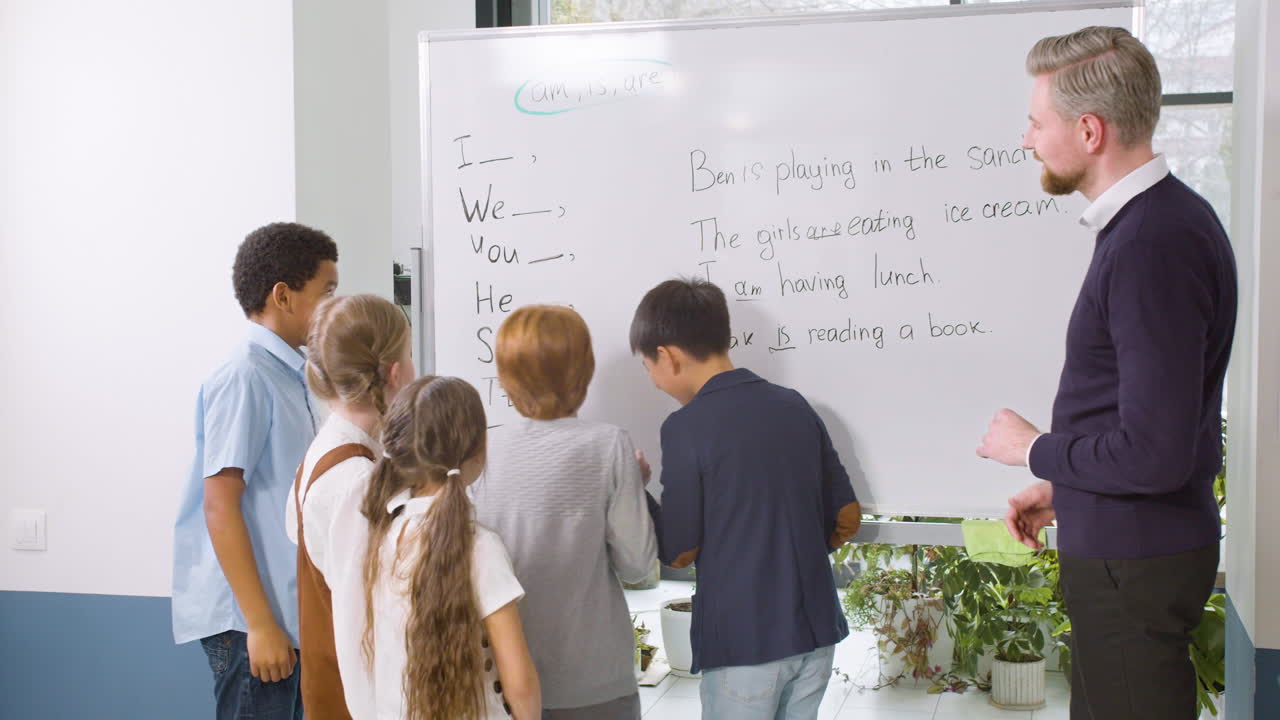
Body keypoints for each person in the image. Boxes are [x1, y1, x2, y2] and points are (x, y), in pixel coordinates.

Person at [977, 26, 1237, 720]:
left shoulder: (1153, 243)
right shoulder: (1156, 226)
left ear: (1089, 131)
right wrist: (1066, 485)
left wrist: (1032, 447)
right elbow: (1147, 426)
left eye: (1037, 123)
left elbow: (1154, 453)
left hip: (1136, 566)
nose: (1028, 139)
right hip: (1129, 552)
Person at [630, 277, 862, 720]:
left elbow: (678, 550)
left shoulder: (685, 427)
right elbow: (846, 517)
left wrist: (637, 491)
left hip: (745, 642)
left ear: (668, 355)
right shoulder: (794, 405)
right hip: (815, 635)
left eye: (647, 366)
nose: (653, 381)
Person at [172, 222, 339, 719]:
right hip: (254, 623)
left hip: (288, 614)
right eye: (326, 292)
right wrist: (261, 623)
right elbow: (219, 505)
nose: (335, 304)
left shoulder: (298, 373)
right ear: (283, 296)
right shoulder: (245, 374)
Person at [474, 304, 657, 719]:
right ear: (583, 372)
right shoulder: (610, 446)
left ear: (506, 376)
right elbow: (637, 567)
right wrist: (632, 488)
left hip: (504, 681)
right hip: (595, 682)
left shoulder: (480, 453)